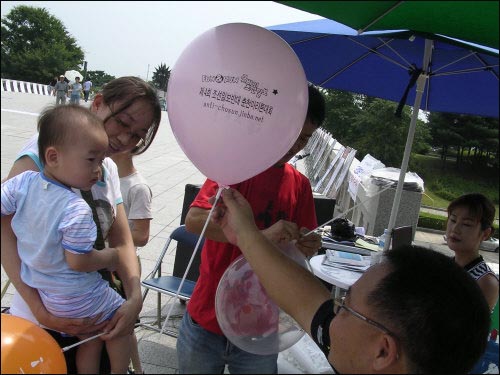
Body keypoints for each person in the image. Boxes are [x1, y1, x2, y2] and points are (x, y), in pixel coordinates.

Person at [212, 187, 491, 374]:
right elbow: (304, 299)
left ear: (383, 351)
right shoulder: (363, 351)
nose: (332, 310)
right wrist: (245, 233)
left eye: (346, 306)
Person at [1, 76, 162, 373]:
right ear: (97, 103)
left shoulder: (107, 167)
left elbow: (123, 240)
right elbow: (4, 235)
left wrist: (135, 297)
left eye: (137, 135)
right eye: (123, 123)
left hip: (92, 314)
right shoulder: (44, 155)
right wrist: (40, 311)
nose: (126, 139)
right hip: (38, 324)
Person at [177, 83, 325, 374]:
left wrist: (308, 244)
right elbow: (194, 220)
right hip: (207, 320)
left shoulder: (300, 185)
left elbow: (302, 245)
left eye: (305, 139)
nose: (296, 146)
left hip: (262, 329)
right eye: (293, 134)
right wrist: (259, 237)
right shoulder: (237, 167)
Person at [111, 151, 153, 375]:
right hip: (103, 263)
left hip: (122, 266)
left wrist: (110, 235)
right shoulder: (102, 176)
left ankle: (136, 369)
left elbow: (143, 235)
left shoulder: (138, 187)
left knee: (124, 326)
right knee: (123, 327)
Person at [445, 193, 499, 311]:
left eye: (466, 224)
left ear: (485, 234)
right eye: (453, 220)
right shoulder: (445, 265)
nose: (455, 229)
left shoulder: (485, 281)